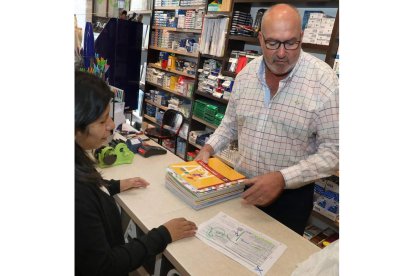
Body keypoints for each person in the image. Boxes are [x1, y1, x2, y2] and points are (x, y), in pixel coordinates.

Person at [196, 3, 339, 235]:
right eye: (272, 43)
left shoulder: (324, 82)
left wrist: (283, 179)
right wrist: (209, 147)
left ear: (301, 37)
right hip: (243, 187)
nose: (281, 53)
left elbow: (334, 151)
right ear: (260, 39)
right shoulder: (245, 76)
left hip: (290, 199)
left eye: (291, 42)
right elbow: (230, 123)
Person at [75, 71, 197, 276]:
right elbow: (105, 266)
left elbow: (89, 186)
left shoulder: (78, 159)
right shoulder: (76, 196)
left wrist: (115, 185)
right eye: (102, 121)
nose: (112, 125)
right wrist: (163, 234)